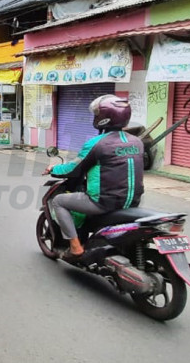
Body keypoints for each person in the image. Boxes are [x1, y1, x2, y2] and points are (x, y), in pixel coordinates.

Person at [43, 95, 144, 262]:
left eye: (97, 114)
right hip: (133, 201)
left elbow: (75, 168)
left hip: (103, 202)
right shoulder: (137, 142)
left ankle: (75, 247)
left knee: (59, 201)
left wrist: (54, 168)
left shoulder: (97, 143)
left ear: (103, 118)